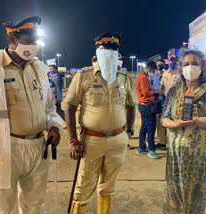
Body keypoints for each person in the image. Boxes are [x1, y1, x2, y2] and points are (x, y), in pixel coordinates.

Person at [0, 16, 62, 213]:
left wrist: (54, 125)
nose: (35, 45)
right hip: (3, 149)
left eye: (36, 40)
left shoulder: (38, 70)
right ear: (13, 40)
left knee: (34, 206)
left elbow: (49, 106)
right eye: (30, 40)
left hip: (37, 147)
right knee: (1, 207)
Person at [65, 32, 136, 214]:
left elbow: (131, 105)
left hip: (117, 140)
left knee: (108, 186)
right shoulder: (84, 76)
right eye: (106, 47)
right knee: (84, 186)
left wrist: (127, 133)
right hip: (91, 141)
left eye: (114, 48)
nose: (111, 51)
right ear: (98, 50)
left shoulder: (123, 77)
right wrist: (73, 140)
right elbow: (70, 107)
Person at [161, 49, 206, 214]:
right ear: (181, 68)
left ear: (201, 67)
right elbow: (164, 119)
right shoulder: (174, 91)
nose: (190, 67)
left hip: (198, 156)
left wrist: (195, 120)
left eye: (194, 63)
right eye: (186, 64)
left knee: (194, 197)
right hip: (175, 153)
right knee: (174, 196)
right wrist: (177, 123)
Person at [135, 61, 158, 158]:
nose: (152, 72)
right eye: (152, 70)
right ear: (149, 68)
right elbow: (146, 93)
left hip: (142, 105)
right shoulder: (143, 78)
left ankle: (141, 147)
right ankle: (151, 149)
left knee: (144, 127)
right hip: (146, 105)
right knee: (151, 127)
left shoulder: (141, 76)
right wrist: (156, 92)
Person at [117, 53, 138, 149]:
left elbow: (131, 105)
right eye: (118, 59)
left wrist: (130, 128)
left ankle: (125, 142)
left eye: (121, 59)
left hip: (121, 116)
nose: (120, 61)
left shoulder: (124, 77)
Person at [151, 59, 167, 149]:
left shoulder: (166, 75)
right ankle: (162, 141)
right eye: (158, 64)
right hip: (156, 100)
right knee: (158, 121)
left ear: (164, 65)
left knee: (165, 120)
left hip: (165, 100)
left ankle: (163, 141)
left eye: (161, 64)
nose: (159, 66)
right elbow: (150, 87)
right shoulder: (153, 76)